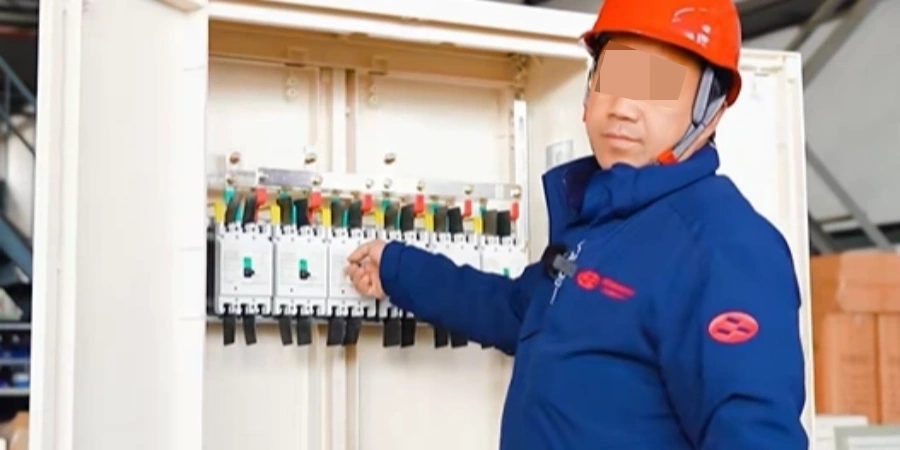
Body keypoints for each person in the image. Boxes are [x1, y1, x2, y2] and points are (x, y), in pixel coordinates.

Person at [344, 0, 809, 448]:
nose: (624, 106)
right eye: (617, 75)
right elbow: (514, 310)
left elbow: (755, 435)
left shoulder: (727, 248)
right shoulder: (599, 225)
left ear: (710, 111)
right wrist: (397, 269)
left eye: (657, 84)